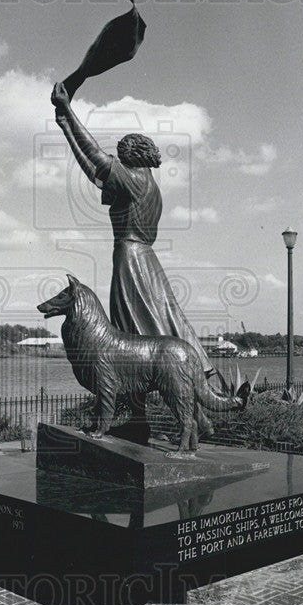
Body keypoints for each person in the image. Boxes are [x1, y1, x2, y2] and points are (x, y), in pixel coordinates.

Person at [51, 81, 213, 441]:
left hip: (130, 261)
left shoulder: (134, 179)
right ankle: (180, 416)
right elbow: (96, 173)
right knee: (151, 333)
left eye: (120, 155)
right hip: (146, 261)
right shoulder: (149, 184)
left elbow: (95, 158)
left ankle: (160, 420)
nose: (117, 160)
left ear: (130, 157)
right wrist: (64, 125)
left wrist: (70, 113)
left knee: (130, 339)